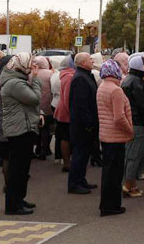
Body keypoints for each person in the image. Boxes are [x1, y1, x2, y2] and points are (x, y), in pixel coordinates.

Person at [0, 53, 41, 215]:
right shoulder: (14, 83)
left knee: (22, 169)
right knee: (17, 169)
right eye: (30, 64)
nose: (31, 67)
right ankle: (13, 205)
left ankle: (18, 199)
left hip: (22, 127)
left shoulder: (16, 80)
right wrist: (35, 79)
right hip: (19, 130)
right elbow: (34, 99)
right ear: (21, 65)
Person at [96, 59, 133, 217]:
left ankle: (106, 204)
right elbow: (119, 117)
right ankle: (112, 206)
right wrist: (129, 131)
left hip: (105, 135)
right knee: (115, 174)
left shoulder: (102, 86)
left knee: (108, 173)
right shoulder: (116, 90)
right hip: (116, 136)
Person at [68, 52, 99, 195]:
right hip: (82, 125)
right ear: (82, 63)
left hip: (86, 123)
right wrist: (88, 123)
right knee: (79, 154)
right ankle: (74, 183)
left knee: (84, 154)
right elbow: (80, 105)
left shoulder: (86, 75)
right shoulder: (80, 78)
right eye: (89, 59)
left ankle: (80, 179)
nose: (92, 60)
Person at [121, 54, 144, 198]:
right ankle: (128, 184)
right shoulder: (136, 82)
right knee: (134, 154)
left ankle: (131, 183)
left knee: (131, 154)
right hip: (137, 123)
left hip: (131, 121)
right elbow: (142, 105)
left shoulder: (129, 80)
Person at [53, 55, 75, 173]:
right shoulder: (69, 76)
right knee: (66, 137)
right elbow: (68, 97)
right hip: (66, 113)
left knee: (64, 136)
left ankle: (67, 162)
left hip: (62, 111)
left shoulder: (64, 75)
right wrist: (72, 112)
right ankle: (67, 163)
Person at [32, 56, 54, 160]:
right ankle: (45, 149)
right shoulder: (50, 73)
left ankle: (37, 148)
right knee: (46, 127)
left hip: (34, 104)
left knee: (37, 127)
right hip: (47, 104)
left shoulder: (31, 73)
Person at [0, 54, 12, 189]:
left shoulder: (2, 75)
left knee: (5, 154)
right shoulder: (8, 80)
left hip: (1, 117)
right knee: (8, 155)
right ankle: (9, 186)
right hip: (7, 120)